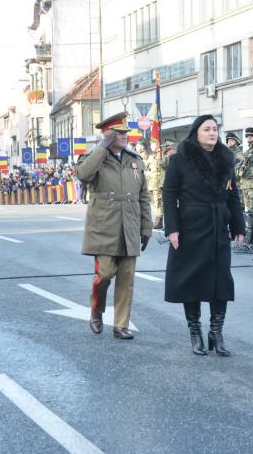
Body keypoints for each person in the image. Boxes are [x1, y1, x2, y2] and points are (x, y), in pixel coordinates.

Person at [162, 115, 245, 356]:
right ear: (196, 133)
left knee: (221, 280)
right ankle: (195, 331)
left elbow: (233, 195)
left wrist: (238, 226)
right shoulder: (180, 159)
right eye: (207, 129)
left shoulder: (226, 159)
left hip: (218, 224)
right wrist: (172, 228)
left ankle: (216, 332)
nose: (212, 133)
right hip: (191, 226)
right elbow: (169, 194)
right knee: (192, 280)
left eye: (215, 129)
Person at [76, 111, 152, 339]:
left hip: (128, 226)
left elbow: (144, 197)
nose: (125, 136)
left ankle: (121, 324)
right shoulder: (95, 157)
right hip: (104, 227)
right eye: (119, 133)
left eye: (126, 132)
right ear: (107, 135)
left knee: (126, 279)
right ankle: (97, 310)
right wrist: (101, 147)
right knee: (105, 275)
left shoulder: (134, 161)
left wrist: (146, 227)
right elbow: (83, 174)